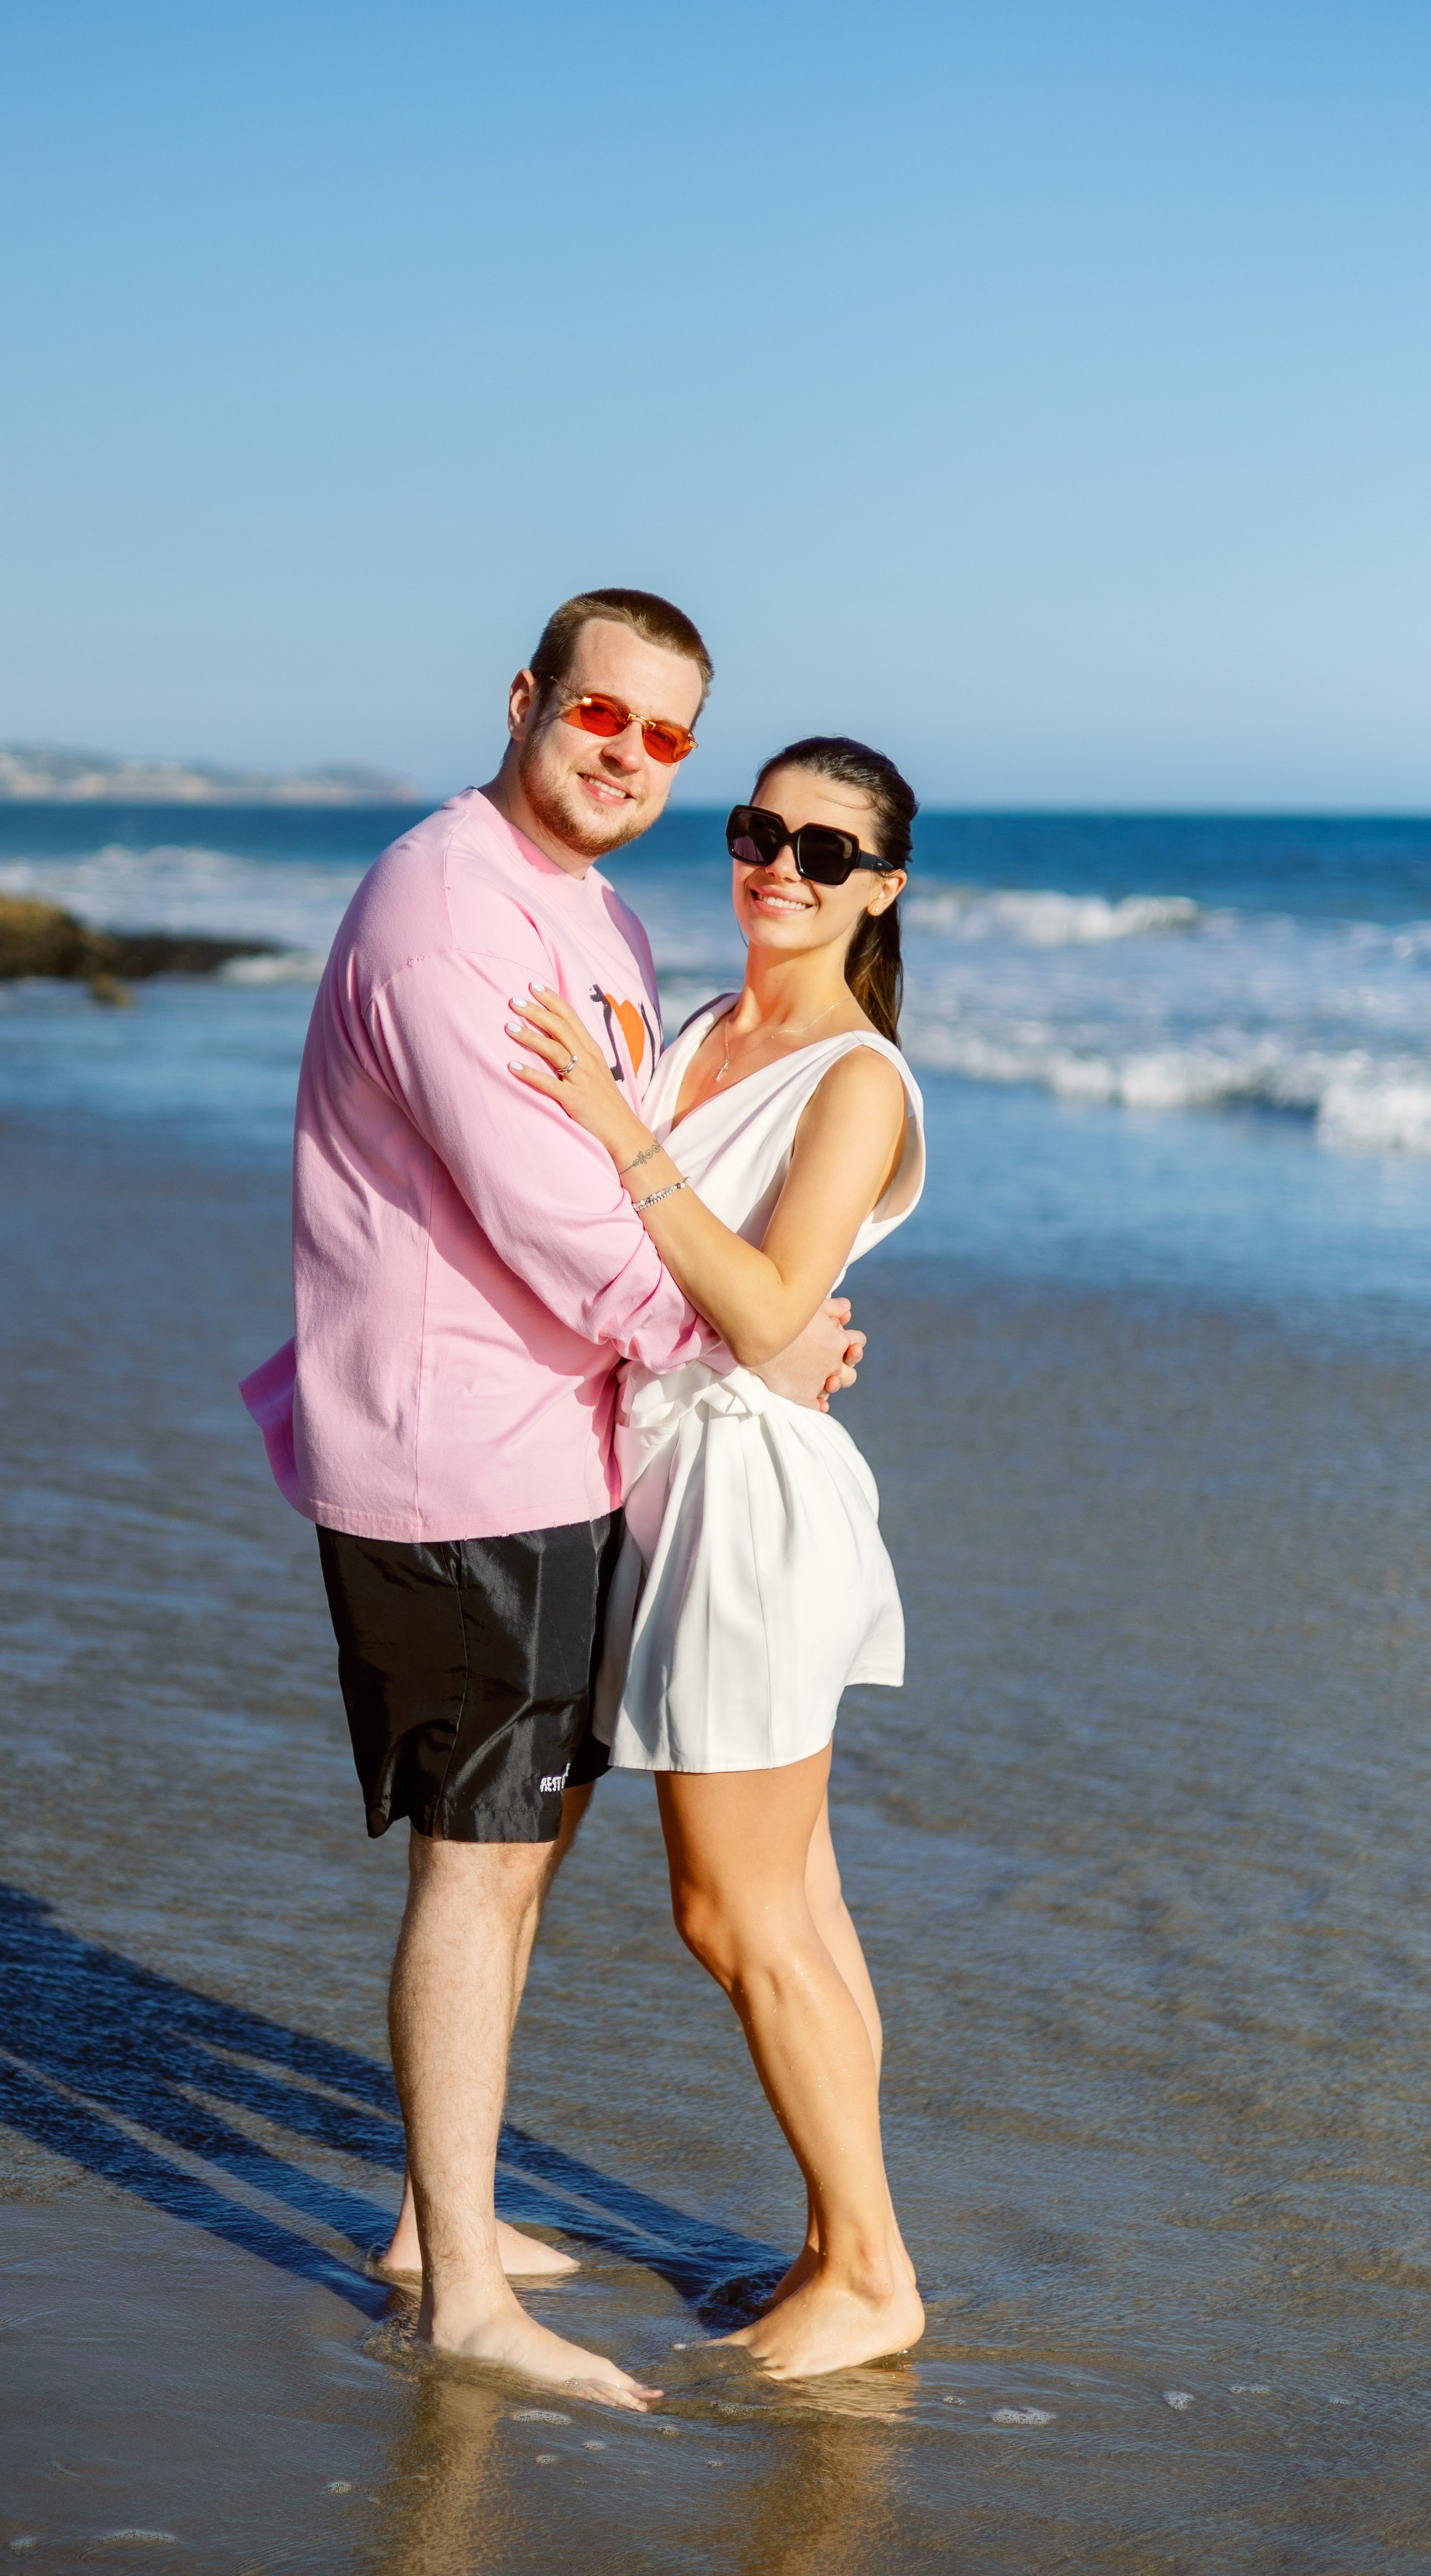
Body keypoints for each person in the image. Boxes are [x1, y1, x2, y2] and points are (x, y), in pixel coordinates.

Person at [239, 592, 865, 2406]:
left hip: (566, 1443)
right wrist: (757, 1330)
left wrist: (766, 1312)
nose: (629, 756)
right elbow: (557, 1218)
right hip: (456, 1457)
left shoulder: (590, 908)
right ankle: (457, 2301)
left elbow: (639, 1162)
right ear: (528, 700)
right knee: (477, 1859)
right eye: (605, 714)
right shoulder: (445, 914)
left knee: (526, 1849)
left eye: (671, 740)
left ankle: (444, 2219)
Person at [507, 734, 929, 2379]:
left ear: (878, 889)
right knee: (797, 1911)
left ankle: (874, 2271)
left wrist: (622, 1130)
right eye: (761, 831)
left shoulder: (855, 1075)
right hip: (658, 1482)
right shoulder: (699, 1024)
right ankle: (835, 2246)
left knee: (731, 1909)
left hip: (745, 1510)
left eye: (826, 854)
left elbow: (760, 1325)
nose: (780, 866)